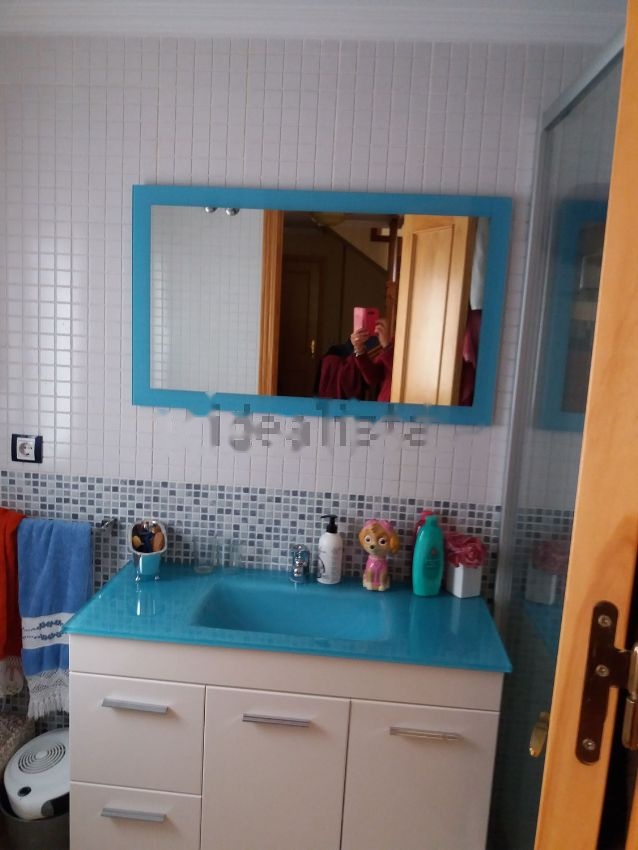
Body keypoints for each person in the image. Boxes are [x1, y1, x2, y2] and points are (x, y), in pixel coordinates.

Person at [350, 317, 394, 402]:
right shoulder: (394, 341)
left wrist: (387, 346)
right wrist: (359, 349)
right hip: (384, 404)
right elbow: (373, 377)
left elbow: (401, 374)